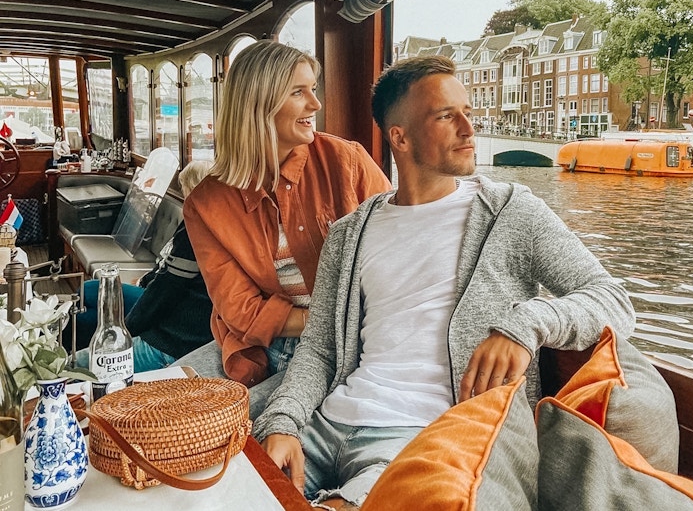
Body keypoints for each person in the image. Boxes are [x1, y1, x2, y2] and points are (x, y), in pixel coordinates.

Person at [252, 55, 636, 509]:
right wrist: (282, 423)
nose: (469, 130)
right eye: (446, 116)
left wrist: (526, 324)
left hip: (424, 439)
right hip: (326, 424)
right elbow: (318, 349)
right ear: (400, 137)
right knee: (229, 490)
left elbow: (614, 301)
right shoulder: (349, 234)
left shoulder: (512, 212)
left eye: (468, 113)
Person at [173, 41, 391, 418]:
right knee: (164, 407)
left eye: (314, 89)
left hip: (344, 349)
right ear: (259, 104)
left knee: (230, 430)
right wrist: (321, 320)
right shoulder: (206, 204)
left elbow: (402, 253)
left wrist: (337, 327)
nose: (316, 104)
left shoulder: (346, 161)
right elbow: (240, 311)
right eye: (298, 92)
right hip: (256, 346)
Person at [73, 160, 214, 372]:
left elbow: (167, 288)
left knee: (72, 362)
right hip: (167, 318)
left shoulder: (197, 227)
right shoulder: (202, 221)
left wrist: (126, 332)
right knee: (86, 303)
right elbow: (168, 276)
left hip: (170, 342)